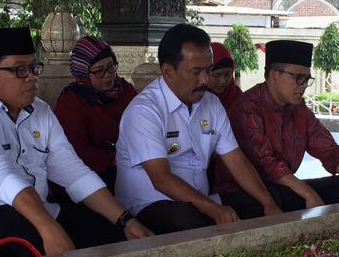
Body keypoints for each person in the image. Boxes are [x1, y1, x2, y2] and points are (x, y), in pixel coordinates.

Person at [0, 26, 154, 257]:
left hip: (38, 211)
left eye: (33, 67)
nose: (31, 77)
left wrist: (126, 221)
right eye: (19, 70)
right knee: (36, 238)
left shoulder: (40, 110)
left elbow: (74, 173)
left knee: (112, 237)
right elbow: (5, 181)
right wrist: (49, 229)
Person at [116, 24, 281, 235]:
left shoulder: (211, 103)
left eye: (208, 70)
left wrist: (268, 203)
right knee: (189, 221)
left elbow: (236, 160)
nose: (205, 80)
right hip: (150, 204)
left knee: (267, 200)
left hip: (201, 201)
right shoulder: (144, 111)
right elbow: (161, 179)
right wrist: (213, 209)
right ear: (167, 71)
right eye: (196, 72)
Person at [215, 39, 339, 214]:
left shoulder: (299, 109)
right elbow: (268, 164)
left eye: (306, 79)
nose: (304, 86)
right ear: (275, 74)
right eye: (298, 78)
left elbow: (330, 150)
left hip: (285, 188)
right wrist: (308, 194)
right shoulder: (247, 107)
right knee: (274, 198)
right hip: (244, 193)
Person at [53, 36, 136, 189]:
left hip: (130, 163)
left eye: (111, 67)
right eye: (99, 71)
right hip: (88, 174)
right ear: (83, 72)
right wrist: (113, 158)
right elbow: (74, 152)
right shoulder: (71, 101)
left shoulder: (125, 90)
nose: (108, 75)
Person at [205, 41, 242, 110]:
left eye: (227, 75)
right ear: (204, 73)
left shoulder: (239, 98)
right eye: (216, 75)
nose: (223, 81)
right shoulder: (192, 98)